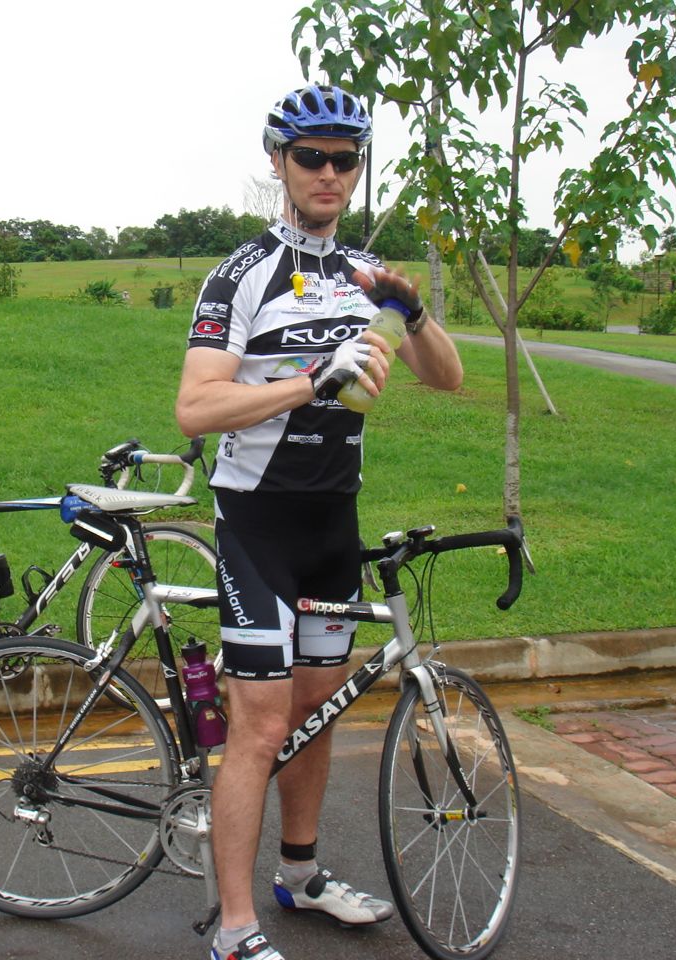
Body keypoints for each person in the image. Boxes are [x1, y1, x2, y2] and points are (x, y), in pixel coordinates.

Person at [175, 84, 463, 960]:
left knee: (318, 712)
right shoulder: (241, 274)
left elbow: (447, 378)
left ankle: (299, 873)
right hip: (257, 532)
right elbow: (195, 407)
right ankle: (232, 929)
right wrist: (314, 378)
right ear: (279, 163)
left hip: (333, 528)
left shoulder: (361, 275)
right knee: (260, 726)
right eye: (312, 158)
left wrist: (409, 308)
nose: (330, 173)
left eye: (346, 158)